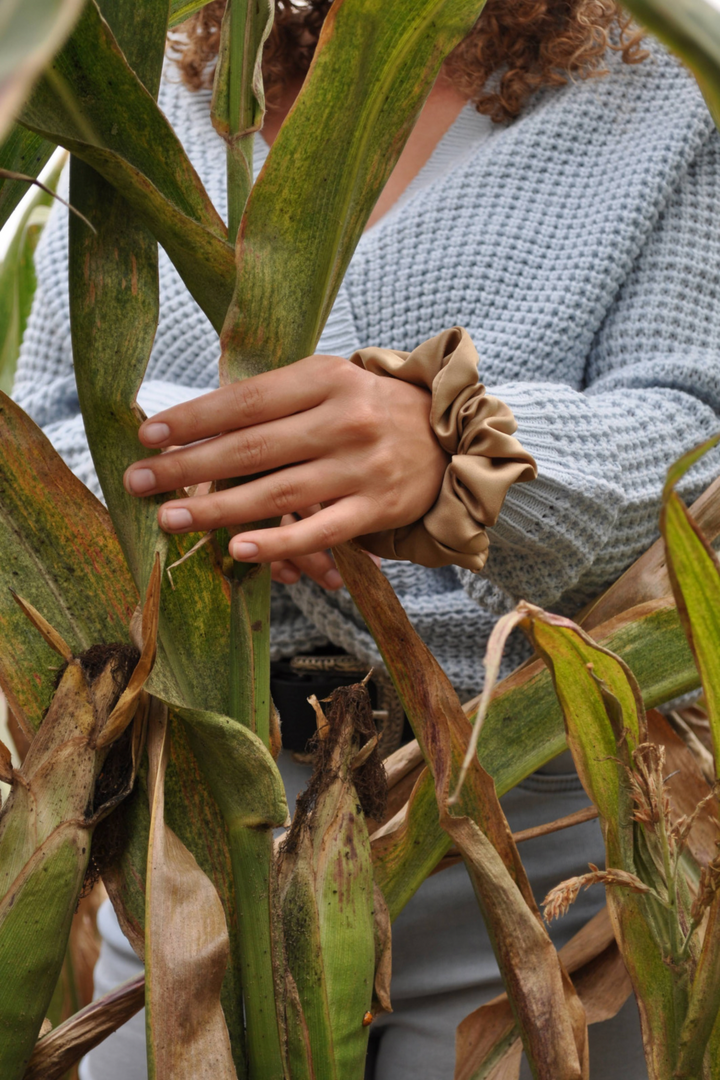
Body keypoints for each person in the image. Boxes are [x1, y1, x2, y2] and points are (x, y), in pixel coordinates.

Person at [12, 0, 720, 1076]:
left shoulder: (671, 84)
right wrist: (205, 472)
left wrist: (456, 450)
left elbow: (694, 433)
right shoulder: (155, 84)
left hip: (521, 813)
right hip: (196, 816)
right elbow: (49, 420)